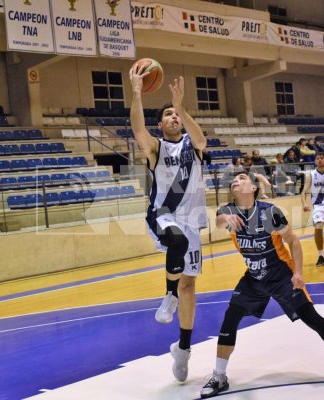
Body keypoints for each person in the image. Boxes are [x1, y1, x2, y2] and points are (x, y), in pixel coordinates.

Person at [200, 172, 324, 398]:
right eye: (234, 179)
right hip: (254, 277)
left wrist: (297, 271)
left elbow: (293, 241)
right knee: (230, 318)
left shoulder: (269, 213)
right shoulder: (227, 211)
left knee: (312, 318)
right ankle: (219, 376)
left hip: (281, 275)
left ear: (254, 188)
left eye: (242, 177)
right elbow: (218, 220)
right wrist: (224, 220)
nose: (236, 180)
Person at [129, 67, 207, 382]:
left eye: (177, 114)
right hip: (163, 213)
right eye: (169, 115)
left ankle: (184, 349)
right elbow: (137, 130)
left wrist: (182, 105)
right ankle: (168, 294)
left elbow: (200, 138)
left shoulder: (193, 145)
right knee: (177, 243)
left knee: (190, 288)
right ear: (160, 125)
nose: (174, 117)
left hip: (192, 221)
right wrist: (136, 92)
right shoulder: (156, 148)